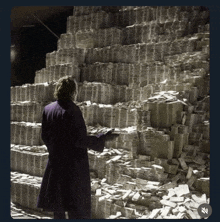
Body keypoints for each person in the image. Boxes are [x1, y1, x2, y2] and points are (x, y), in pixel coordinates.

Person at [37, 76, 117, 219]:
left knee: (58, 208)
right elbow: (79, 140)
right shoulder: (73, 110)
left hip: (55, 164)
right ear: (73, 92)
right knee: (76, 208)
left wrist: (55, 150)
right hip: (72, 167)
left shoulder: (48, 109)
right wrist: (102, 137)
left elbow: (45, 136)